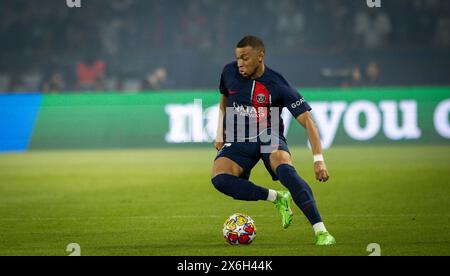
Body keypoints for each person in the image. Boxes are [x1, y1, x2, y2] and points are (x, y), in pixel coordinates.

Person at [211, 36, 336, 246]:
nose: (240, 63)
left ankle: (321, 231)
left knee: (285, 169)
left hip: (268, 135)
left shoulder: (277, 84)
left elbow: (308, 121)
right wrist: (219, 132)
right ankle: (277, 198)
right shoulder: (228, 72)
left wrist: (318, 159)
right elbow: (224, 99)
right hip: (239, 136)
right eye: (237, 58)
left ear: (260, 56)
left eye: (245, 57)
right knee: (220, 179)